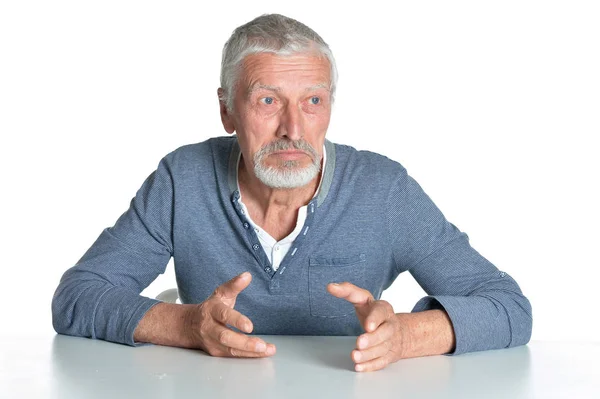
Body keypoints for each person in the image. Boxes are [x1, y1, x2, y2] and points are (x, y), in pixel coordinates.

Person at [52, 13, 532, 373]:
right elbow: (76, 298)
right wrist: (185, 325)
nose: (292, 129)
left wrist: (405, 336)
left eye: (313, 102)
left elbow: (509, 307)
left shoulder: (383, 190)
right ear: (227, 111)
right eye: (267, 101)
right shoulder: (184, 178)